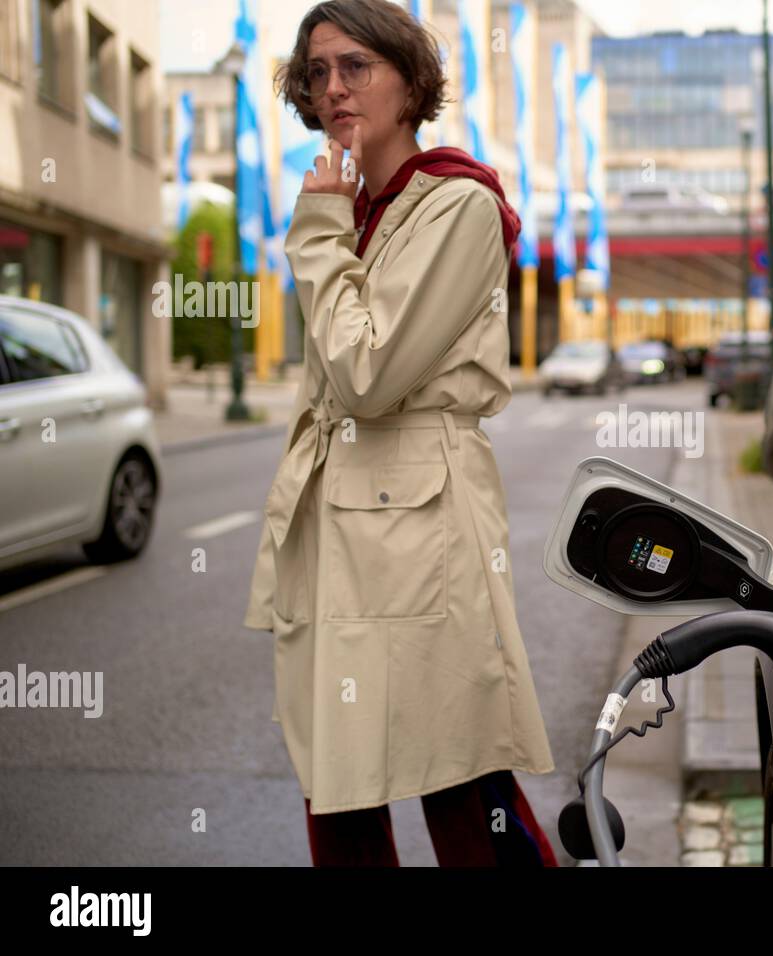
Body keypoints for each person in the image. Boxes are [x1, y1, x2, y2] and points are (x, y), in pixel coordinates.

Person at [241, 0, 556, 867]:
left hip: (421, 520)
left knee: (457, 770)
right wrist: (330, 226)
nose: (334, 88)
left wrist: (315, 232)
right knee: (337, 783)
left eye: (356, 66)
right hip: (339, 520)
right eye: (318, 73)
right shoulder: (357, 208)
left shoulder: (455, 204)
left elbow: (367, 375)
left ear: (411, 81)